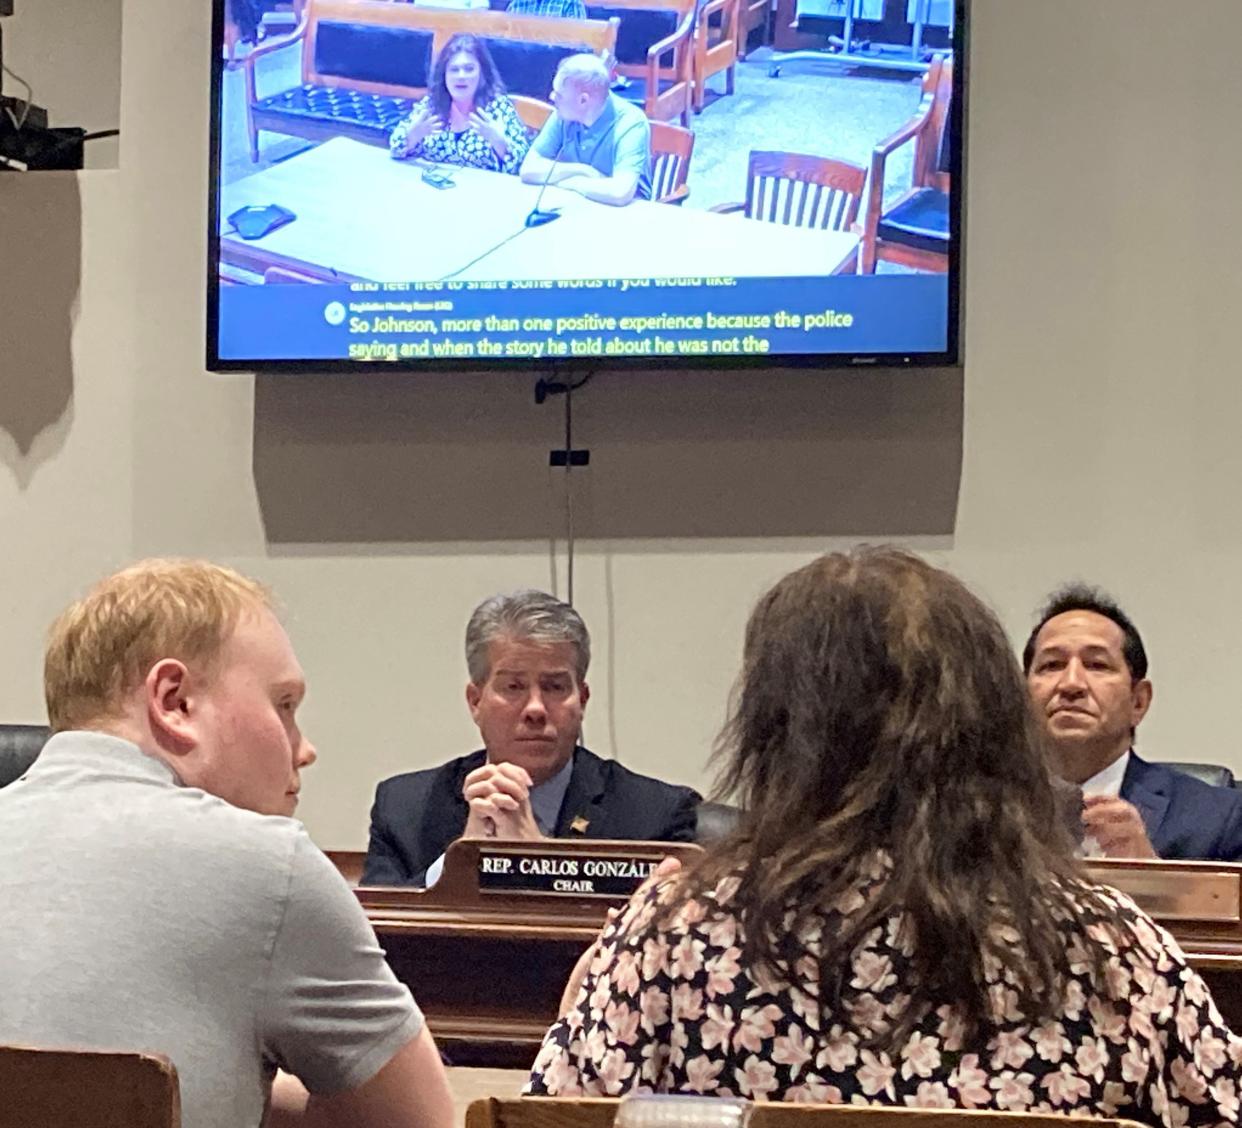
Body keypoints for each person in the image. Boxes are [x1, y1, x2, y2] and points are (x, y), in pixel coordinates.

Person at [528, 548, 1242, 1122]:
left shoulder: (670, 936)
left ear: (776, 732)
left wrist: (587, 990)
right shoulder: (1113, 948)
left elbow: (554, 1115)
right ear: (995, 726)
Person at [0, 560, 453, 1128]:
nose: (303, 747)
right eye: (284, 704)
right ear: (176, 702)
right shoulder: (268, 868)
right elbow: (417, 1122)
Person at [362, 589, 700, 886]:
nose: (535, 709)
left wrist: (539, 858)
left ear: (581, 700)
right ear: (475, 701)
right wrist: (460, 863)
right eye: (513, 687)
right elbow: (379, 932)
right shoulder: (404, 808)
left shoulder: (657, 815)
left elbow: (658, 942)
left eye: (554, 687)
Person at [1024, 584, 1242, 861]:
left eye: (1096, 665)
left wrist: (1151, 877)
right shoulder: (972, 808)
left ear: (1138, 701)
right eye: (1052, 665)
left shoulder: (1220, 819)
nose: (1071, 684)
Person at [519, 54, 652, 206]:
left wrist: (568, 183)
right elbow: (528, 170)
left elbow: (620, 193)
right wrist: (582, 171)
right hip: (576, 207)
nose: (551, 96)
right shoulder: (562, 115)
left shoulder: (631, 123)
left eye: (559, 94)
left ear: (583, 100)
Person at [390, 35, 529, 174]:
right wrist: (412, 136)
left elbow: (522, 166)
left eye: (469, 69)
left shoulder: (498, 108)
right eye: (454, 70)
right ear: (444, 75)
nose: (461, 76)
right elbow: (395, 149)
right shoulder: (432, 105)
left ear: (482, 73)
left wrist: (498, 141)